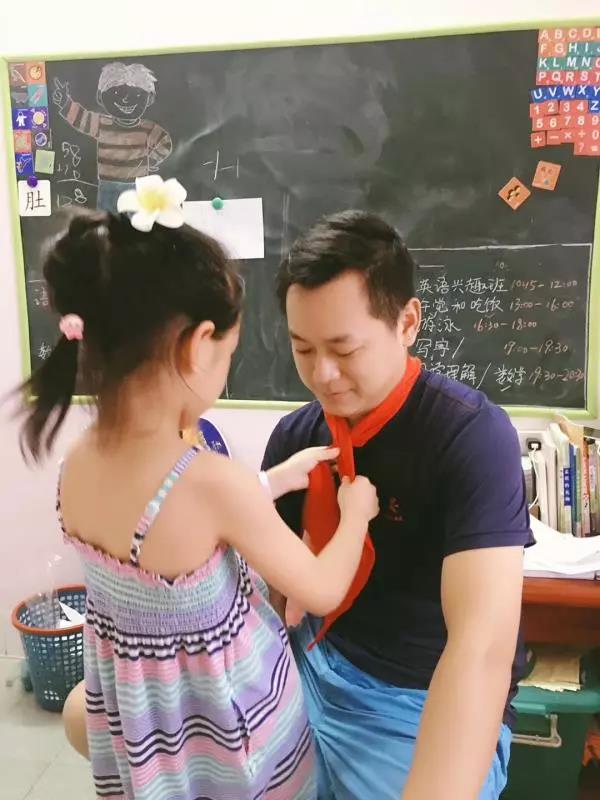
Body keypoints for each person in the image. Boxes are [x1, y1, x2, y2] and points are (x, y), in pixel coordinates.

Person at [18, 181, 378, 800]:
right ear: (196, 344)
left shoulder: (77, 463)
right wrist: (355, 514)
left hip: (145, 736)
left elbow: (172, 536)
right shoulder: (210, 482)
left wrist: (274, 480)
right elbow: (320, 587)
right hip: (231, 736)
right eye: (228, 353)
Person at [260, 210, 533, 799]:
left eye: (344, 349)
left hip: (417, 694)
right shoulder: (296, 438)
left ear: (407, 322)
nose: (322, 374)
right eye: (303, 349)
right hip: (312, 663)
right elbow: (271, 598)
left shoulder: (470, 436)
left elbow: (482, 650)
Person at [52, 63, 172, 213]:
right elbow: (80, 118)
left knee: (133, 220)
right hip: (108, 185)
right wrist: (65, 102)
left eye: (137, 94)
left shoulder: (148, 128)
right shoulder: (102, 123)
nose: (126, 100)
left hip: (136, 186)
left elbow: (164, 142)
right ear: (100, 97)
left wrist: (151, 160)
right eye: (116, 93)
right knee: (107, 219)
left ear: (149, 99)